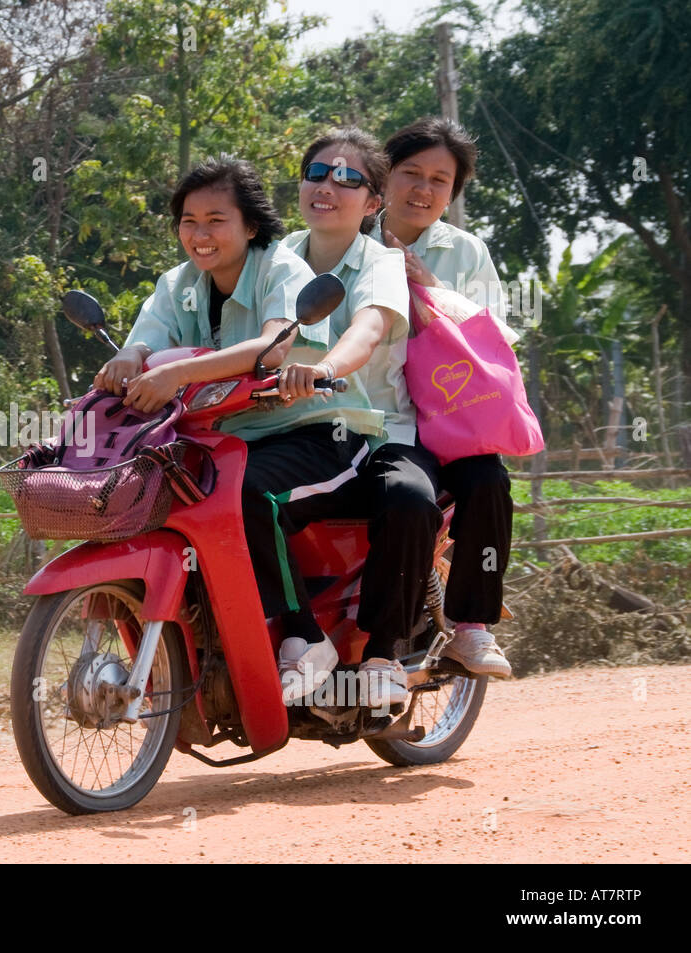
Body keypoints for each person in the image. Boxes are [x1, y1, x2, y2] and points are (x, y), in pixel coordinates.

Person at [93, 156, 386, 707]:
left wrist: (175, 373)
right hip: (223, 442)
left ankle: (305, 636)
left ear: (250, 225)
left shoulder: (284, 271)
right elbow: (145, 339)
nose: (200, 235)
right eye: (188, 220)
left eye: (216, 219)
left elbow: (274, 346)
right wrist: (128, 358)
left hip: (318, 434)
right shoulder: (177, 284)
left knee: (247, 494)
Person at [274, 127, 422, 709]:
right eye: (316, 172)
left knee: (409, 499)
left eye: (349, 178)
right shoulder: (273, 257)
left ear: (374, 202)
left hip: (371, 426)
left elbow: (367, 329)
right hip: (279, 425)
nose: (327, 186)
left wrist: (326, 366)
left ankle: (384, 653)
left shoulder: (381, 262)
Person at [372, 116, 515, 678]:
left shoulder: (465, 252)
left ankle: (473, 628)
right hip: (373, 418)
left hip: (450, 420)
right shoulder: (347, 239)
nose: (423, 189)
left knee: (489, 482)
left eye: (440, 180)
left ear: (452, 192)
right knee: (403, 501)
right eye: (411, 173)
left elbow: (496, 336)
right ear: (384, 178)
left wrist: (431, 286)